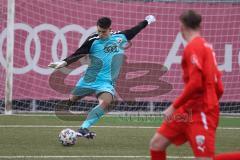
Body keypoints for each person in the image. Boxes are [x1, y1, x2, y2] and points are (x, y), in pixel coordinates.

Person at [48, 15, 156, 139]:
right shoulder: (92, 40)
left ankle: (84, 128)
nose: (100, 34)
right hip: (89, 79)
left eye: (103, 32)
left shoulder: (120, 37)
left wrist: (147, 21)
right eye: (98, 30)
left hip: (106, 82)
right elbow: (78, 54)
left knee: (106, 102)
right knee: (73, 98)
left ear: (110, 29)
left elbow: (136, 29)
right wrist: (63, 63)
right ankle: (69, 103)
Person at [149, 10, 224, 160]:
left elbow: (196, 84)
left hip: (201, 110)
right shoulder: (207, 46)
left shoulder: (193, 47)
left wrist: (174, 106)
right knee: (157, 143)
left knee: (205, 158)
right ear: (199, 25)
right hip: (187, 109)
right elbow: (219, 87)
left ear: (182, 26)